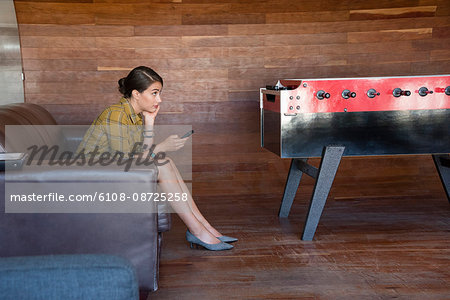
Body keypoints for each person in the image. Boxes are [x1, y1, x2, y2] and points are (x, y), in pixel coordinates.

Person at [77, 66, 237, 251]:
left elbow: (140, 155)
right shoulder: (116, 114)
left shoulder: (134, 115)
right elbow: (130, 162)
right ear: (136, 94)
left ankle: (204, 227)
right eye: (154, 93)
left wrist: (150, 122)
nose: (159, 99)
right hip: (92, 178)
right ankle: (197, 230)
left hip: (111, 171)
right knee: (161, 163)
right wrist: (161, 147)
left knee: (165, 161)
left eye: (159, 93)